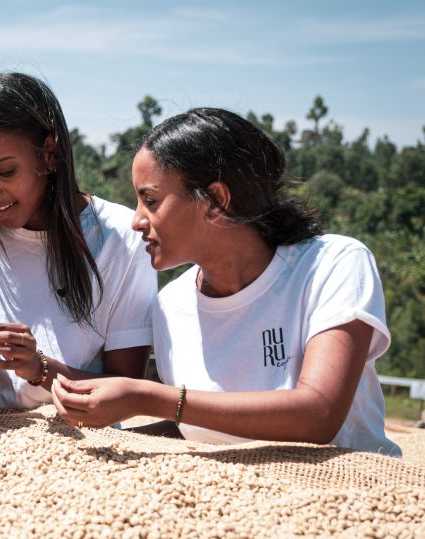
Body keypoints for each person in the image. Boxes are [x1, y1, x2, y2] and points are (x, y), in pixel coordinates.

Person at [52, 107, 401, 456]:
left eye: (151, 200)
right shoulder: (170, 306)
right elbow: (196, 422)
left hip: (347, 494)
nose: (137, 221)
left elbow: (319, 414)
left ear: (216, 201)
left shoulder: (332, 264)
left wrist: (146, 397)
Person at [0, 72, 157, 413]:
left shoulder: (121, 238)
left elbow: (126, 393)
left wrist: (39, 369)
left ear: (48, 152)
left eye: (4, 172)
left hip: (82, 444)